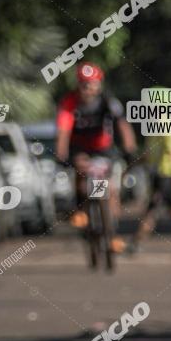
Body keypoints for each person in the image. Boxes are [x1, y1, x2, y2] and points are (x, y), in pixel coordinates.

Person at [55, 62, 137, 252]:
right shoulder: (69, 102)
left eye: (91, 84)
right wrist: (61, 155)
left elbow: (123, 126)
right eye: (83, 84)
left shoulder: (109, 102)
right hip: (80, 148)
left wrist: (129, 148)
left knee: (110, 190)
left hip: (103, 148)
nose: (87, 88)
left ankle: (112, 231)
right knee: (80, 175)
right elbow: (63, 131)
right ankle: (80, 211)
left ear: (99, 84)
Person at [128, 89, 171, 254]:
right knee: (167, 209)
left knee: (159, 209)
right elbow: (150, 154)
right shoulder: (155, 123)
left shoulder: (166, 123)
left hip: (167, 175)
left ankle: (137, 243)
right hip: (159, 175)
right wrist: (133, 165)